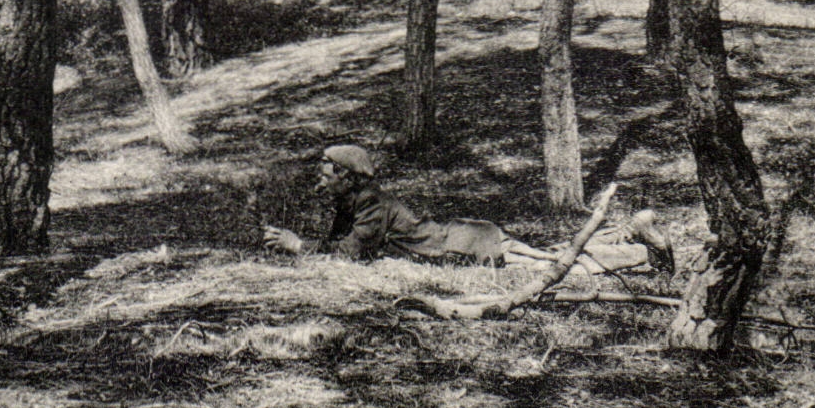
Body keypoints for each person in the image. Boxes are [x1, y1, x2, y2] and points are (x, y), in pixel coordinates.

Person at [262, 144, 672, 275]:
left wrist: (298, 247)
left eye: (325, 174)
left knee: (557, 267)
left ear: (347, 177)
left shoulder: (368, 204)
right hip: (468, 235)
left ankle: (643, 255)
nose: (319, 181)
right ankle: (632, 237)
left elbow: (347, 256)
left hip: (464, 248)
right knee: (552, 255)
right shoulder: (355, 200)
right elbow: (338, 244)